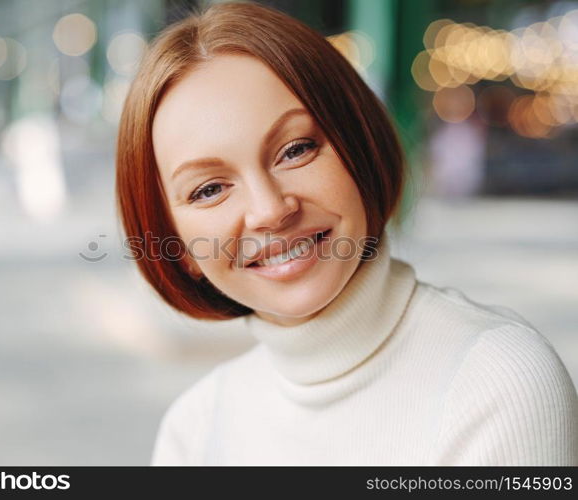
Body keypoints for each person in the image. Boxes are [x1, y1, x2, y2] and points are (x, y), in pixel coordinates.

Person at [114, 2, 578, 465]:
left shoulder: (495, 381)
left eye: (295, 150)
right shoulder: (194, 429)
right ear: (178, 244)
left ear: (359, 146)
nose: (270, 210)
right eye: (210, 189)